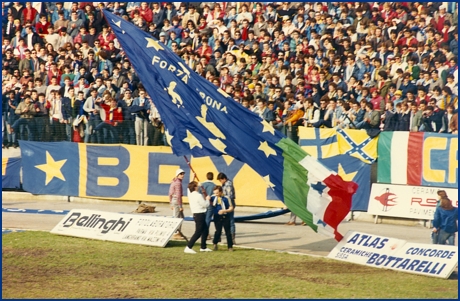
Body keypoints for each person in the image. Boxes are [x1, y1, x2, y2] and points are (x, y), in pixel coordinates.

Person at [184, 181, 213, 254]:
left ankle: (203, 247)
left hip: (196, 214)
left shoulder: (190, 195)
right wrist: (207, 199)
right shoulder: (198, 195)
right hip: (200, 214)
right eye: (197, 186)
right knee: (198, 232)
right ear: (195, 187)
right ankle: (188, 247)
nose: (198, 187)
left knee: (205, 230)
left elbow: (188, 188)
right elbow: (205, 205)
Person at [211, 185, 234, 251]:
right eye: (215, 193)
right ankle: (215, 243)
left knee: (228, 232)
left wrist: (225, 211)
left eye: (217, 193)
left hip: (225, 216)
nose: (216, 194)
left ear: (221, 192)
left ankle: (230, 246)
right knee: (218, 231)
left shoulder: (226, 198)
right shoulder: (213, 197)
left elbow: (231, 207)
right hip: (217, 216)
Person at [217, 172, 236, 244]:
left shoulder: (228, 184)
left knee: (230, 220)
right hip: (225, 203)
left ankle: (232, 239)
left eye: (220, 180)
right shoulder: (224, 184)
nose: (220, 182)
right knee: (226, 220)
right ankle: (229, 238)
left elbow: (229, 196)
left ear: (224, 178)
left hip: (229, 203)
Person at [169, 168, 186, 240]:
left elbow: (170, 193)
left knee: (180, 216)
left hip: (174, 201)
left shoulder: (174, 181)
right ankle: (176, 233)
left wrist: (171, 203)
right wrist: (180, 206)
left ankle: (178, 232)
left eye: (183, 174)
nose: (182, 175)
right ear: (177, 175)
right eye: (181, 174)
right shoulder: (178, 183)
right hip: (177, 201)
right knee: (178, 217)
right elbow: (178, 195)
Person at [201, 172, 216, 240]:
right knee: (208, 219)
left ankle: (202, 232)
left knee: (202, 219)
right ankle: (206, 233)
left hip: (202, 203)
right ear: (212, 177)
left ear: (206, 177)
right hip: (210, 203)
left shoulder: (202, 185)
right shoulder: (214, 186)